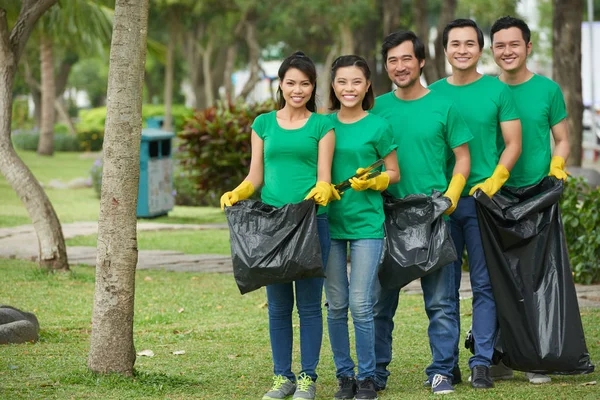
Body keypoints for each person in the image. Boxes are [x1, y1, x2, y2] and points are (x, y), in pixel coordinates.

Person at [220, 51, 336, 400]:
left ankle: (307, 378)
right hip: (272, 227)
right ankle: (282, 377)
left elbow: (324, 177)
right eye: (291, 82)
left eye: (304, 83)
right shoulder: (263, 124)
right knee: (279, 306)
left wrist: (323, 189)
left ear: (313, 86)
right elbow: (255, 176)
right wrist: (238, 191)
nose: (297, 89)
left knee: (311, 306)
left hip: (311, 223)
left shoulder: (322, 125)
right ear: (280, 85)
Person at [370, 30, 473, 395]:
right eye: (392, 60)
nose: (400, 66)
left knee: (442, 302)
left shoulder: (443, 106)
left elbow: (463, 158)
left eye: (406, 59)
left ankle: (442, 370)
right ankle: (376, 372)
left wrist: (452, 194)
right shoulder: (377, 107)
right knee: (380, 305)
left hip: (433, 216)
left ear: (422, 61)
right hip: (388, 217)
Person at [429, 18, 522, 389]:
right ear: (445, 50)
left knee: (485, 284)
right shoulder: (431, 93)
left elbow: (513, 142)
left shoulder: (498, 91)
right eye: (455, 44)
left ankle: (482, 361)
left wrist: (496, 178)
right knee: (443, 288)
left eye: (470, 44)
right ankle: (445, 363)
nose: (462, 50)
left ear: (480, 49)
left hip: (483, 203)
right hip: (442, 205)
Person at [488, 15, 570, 384]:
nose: (507, 51)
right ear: (492, 49)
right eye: (500, 45)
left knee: (537, 279)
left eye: (514, 44)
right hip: (495, 196)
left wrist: (557, 165)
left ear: (528, 47)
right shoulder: (486, 90)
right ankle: (499, 357)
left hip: (537, 194)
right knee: (497, 280)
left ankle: (538, 358)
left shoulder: (547, 90)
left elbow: (563, 138)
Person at [324, 55, 400, 400]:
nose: (349, 88)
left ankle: (367, 378)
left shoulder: (379, 126)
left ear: (368, 85)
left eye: (356, 81)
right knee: (336, 304)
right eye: (342, 81)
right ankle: (345, 377)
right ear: (333, 85)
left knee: (361, 303)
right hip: (329, 225)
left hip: (368, 225)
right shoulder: (323, 125)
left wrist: (377, 181)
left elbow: (395, 173)